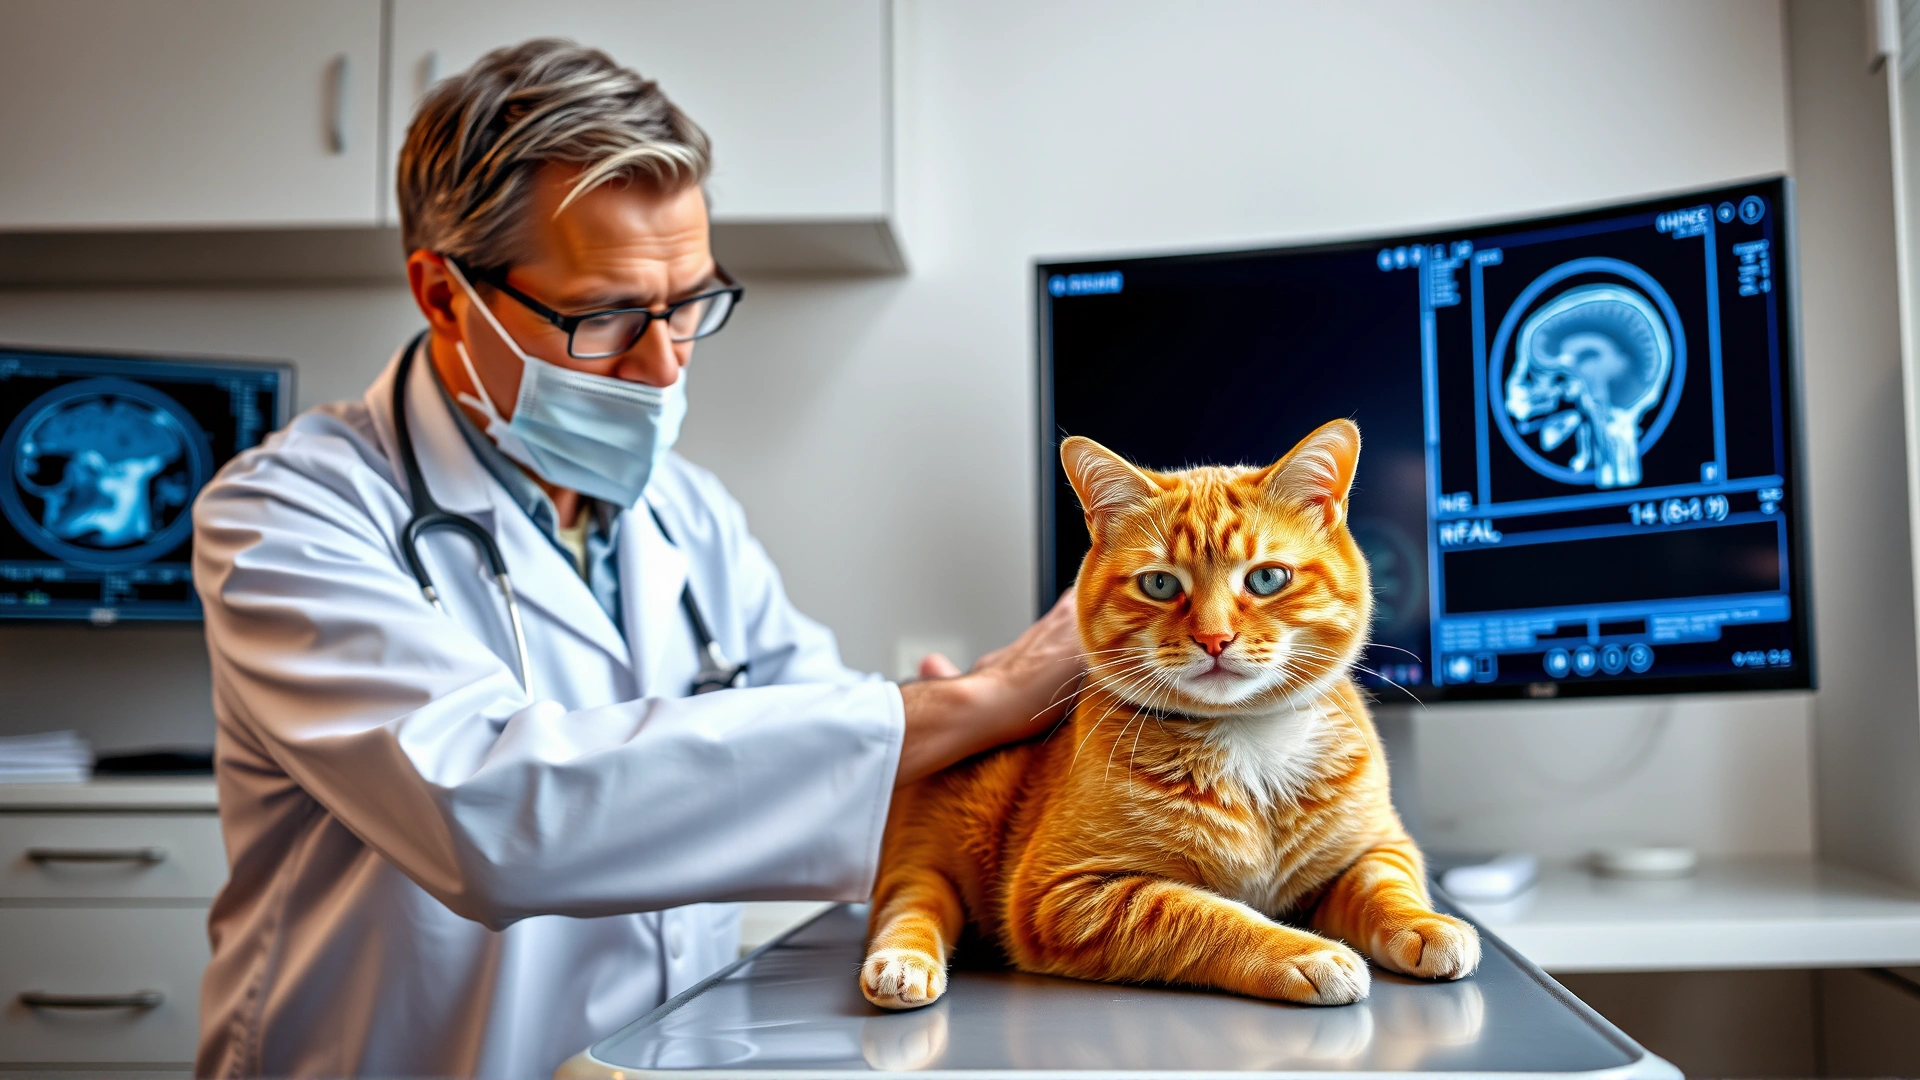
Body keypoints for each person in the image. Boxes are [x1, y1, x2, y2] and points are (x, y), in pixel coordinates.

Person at [190, 39, 1081, 1079]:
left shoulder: (686, 513)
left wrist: (981, 750)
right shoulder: (289, 512)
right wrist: (974, 703)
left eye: (690, 304)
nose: (662, 365)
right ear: (442, 295)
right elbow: (489, 816)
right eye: (606, 315)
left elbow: (829, 744)